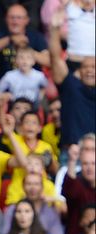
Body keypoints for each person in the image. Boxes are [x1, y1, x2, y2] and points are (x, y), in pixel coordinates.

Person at [48, 8, 95, 152]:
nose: (89, 70)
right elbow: (55, 58)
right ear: (79, 72)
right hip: (71, 152)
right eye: (85, 67)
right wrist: (54, 31)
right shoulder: (71, 86)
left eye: (94, 67)